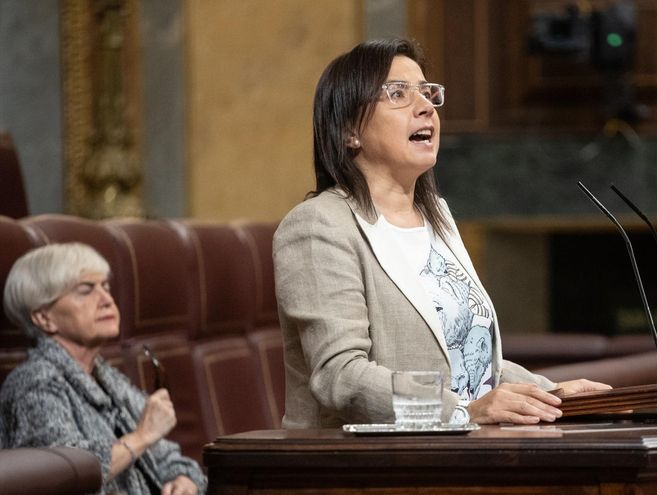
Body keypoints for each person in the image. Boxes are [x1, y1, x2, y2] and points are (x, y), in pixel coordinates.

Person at [274, 38, 611, 429]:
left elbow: (467, 362)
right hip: (364, 469)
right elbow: (342, 377)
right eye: (398, 93)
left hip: (454, 451)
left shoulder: (437, 216)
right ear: (350, 130)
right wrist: (461, 412)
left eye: (427, 93)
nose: (425, 107)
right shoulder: (318, 226)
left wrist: (550, 394)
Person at [0, 243, 206, 495]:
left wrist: (184, 479)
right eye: (85, 291)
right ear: (44, 318)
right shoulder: (34, 385)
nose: (106, 300)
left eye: (105, 286)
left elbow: (165, 454)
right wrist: (140, 437)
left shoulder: (106, 377)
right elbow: (64, 477)